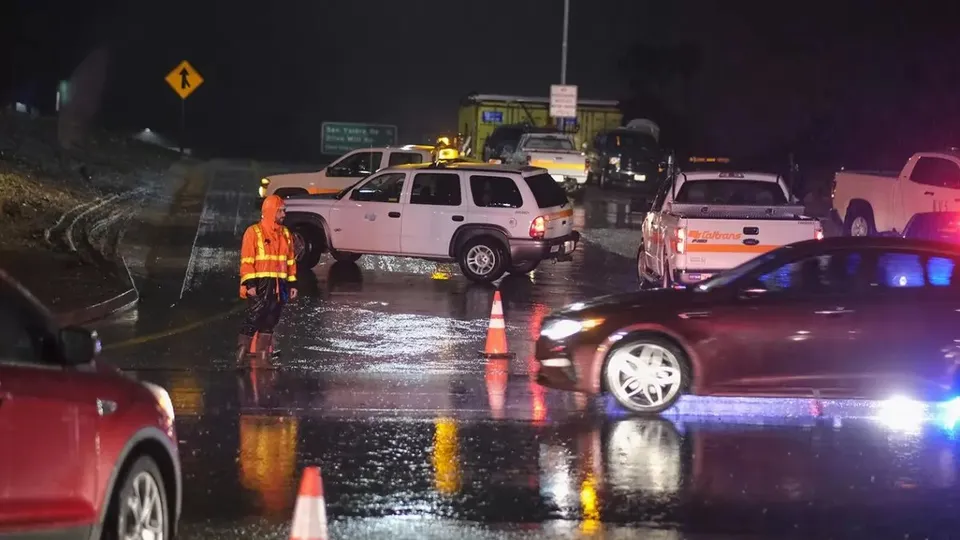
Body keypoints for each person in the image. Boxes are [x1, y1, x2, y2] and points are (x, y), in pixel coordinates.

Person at [236, 194, 298, 367]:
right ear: (272, 211)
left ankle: (264, 359)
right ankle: (241, 354)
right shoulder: (253, 232)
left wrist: (292, 283)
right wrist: (250, 284)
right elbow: (247, 260)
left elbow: (290, 261)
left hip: (280, 284)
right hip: (261, 283)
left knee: (271, 320)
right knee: (254, 317)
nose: (284, 214)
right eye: (281, 211)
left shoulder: (285, 233)